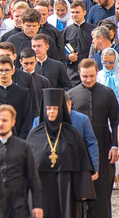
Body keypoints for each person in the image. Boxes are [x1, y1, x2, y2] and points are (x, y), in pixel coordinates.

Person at [26, 89, 96, 218]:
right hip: (42, 186)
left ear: (61, 109)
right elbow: (27, 165)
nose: (51, 112)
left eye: (54, 108)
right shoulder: (34, 134)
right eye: (48, 109)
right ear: (44, 110)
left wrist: (83, 190)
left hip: (67, 186)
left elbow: (83, 164)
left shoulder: (72, 134)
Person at [67, 59, 119, 218]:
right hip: (79, 148)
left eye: (91, 76)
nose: (88, 80)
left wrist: (115, 146)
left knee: (102, 190)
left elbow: (116, 120)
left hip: (103, 146)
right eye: (84, 76)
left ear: (97, 73)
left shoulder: (107, 93)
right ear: (79, 74)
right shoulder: (71, 95)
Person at [0, 105, 43, 218]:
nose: (0, 123)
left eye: (5, 120)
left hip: (18, 205)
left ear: (13, 122)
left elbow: (33, 178)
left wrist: (37, 205)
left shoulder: (24, 146)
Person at [0, 56, 33, 139]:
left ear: (13, 71)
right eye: (1, 70)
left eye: (7, 70)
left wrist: (21, 139)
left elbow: (27, 119)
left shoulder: (23, 93)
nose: (4, 73)